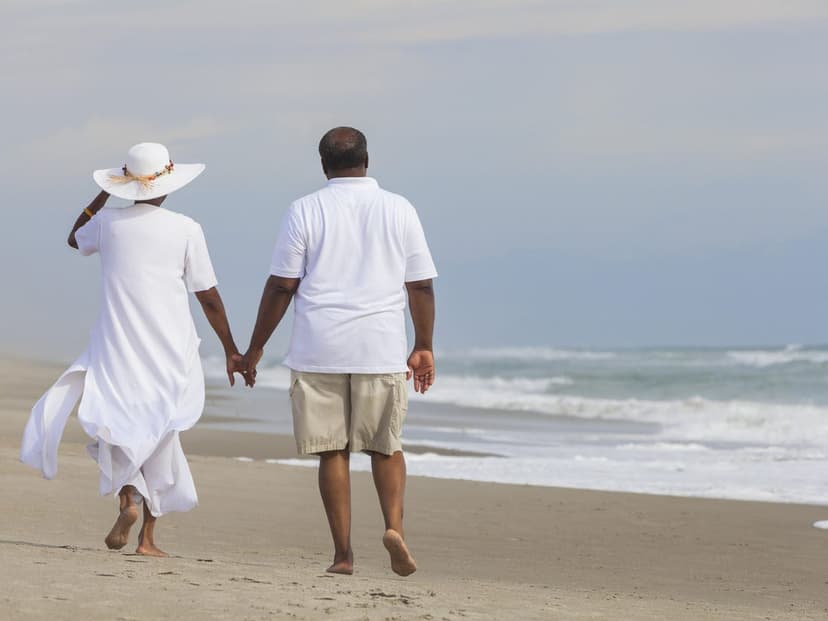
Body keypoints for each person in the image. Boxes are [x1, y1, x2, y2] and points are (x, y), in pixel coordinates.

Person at [20, 142, 248, 557]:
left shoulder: (107, 223)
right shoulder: (185, 227)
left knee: (119, 427)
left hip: (117, 344)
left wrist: (107, 191)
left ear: (127, 182)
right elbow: (208, 296)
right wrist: (232, 350)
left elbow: (75, 237)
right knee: (162, 431)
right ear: (168, 183)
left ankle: (128, 500)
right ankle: (147, 539)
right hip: (170, 346)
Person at [241, 127, 437, 576]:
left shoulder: (304, 209)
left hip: (318, 346)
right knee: (385, 447)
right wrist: (423, 345)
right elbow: (421, 284)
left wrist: (254, 350)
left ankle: (343, 555)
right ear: (368, 160)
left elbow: (282, 286)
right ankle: (394, 529)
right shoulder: (399, 208)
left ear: (323, 164)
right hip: (381, 345)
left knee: (333, 451)